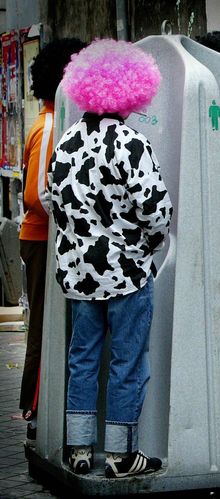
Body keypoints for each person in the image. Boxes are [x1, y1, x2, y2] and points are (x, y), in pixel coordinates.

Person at [48, 39, 172, 478]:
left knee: (82, 358)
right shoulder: (131, 144)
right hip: (128, 273)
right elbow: (158, 212)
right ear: (131, 93)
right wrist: (143, 245)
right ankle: (121, 457)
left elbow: (55, 204)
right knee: (127, 361)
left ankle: (79, 449)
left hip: (80, 274)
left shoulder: (65, 144)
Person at [19, 37, 87, 446]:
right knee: (43, 331)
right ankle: (34, 410)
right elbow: (36, 195)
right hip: (44, 240)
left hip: (50, 240)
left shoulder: (58, 121)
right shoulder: (48, 125)